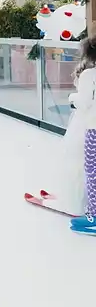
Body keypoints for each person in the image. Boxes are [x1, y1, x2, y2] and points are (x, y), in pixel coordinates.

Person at [67, 36, 96, 234]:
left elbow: (84, 102)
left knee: (92, 169)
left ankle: (93, 216)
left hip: (94, 128)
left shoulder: (89, 75)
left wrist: (72, 98)